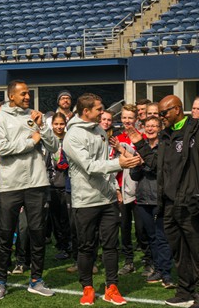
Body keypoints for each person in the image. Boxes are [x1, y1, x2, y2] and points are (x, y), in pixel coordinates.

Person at [63, 93, 141, 306]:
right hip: (85, 201)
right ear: (86, 111)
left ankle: (111, 287)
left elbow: (104, 162)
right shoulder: (72, 136)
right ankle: (87, 287)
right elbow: (89, 166)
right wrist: (120, 164)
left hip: (107, 199)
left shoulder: (100, 131)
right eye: (98, 109)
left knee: (111, 245)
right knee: (87, 246)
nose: (103, 112)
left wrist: (114, 187)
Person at [126, 95, 199, 308]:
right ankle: (185, 291)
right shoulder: (166, 135)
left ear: (177, 109)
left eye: (163, 113)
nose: (161, 118)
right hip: (168, 204)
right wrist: (140, 144)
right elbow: (156, 165)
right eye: (158, 114)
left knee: (196, 250)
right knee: (179, 251)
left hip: (190, 203)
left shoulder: (194, 129)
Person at [0, 80, 59, 300]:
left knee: (38, 233)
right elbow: (1, 148)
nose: (27, 96)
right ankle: (1, 280)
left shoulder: (36, 115)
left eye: (28, 93)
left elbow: (54, 147)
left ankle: (36, 280)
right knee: (5, 234)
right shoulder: (0, 117)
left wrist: (43, 127)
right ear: (12, 96)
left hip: (37, 182)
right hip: (11, 184)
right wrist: (31, 141)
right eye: (23, 93)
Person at [129, 116, 175, 289]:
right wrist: (139, 165)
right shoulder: (140, 148)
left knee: (162, 237)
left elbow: (161, 171)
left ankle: (166, 273)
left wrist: (146, 164)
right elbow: (134, 175)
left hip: (160, 198)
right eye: (148, 126)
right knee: (150, 237)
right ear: (143, 127)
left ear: (160, 128)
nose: (150, 129)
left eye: (154, 126)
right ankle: (157, 268)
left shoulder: (165, 147)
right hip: (143, 200)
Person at [110, 104, 150, 276]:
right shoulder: (117, 138)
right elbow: (114, 166)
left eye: (130, 118)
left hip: (140, 190)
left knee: (142, 229)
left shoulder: (142, 137)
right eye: (124, 117)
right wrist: (117, 189)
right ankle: (128, 262)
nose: (127, 120)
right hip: (122, 190)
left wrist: (123, 152)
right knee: (125, 228)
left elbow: (140, 161)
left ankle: (149, 262)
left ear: (136, 119)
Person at [46, 113, 71, 260]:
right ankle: (61, 245)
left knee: (67, 218)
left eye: (61, 124)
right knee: (55, 219)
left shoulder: (69, 139)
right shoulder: (49, 140)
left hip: (67, 183)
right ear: (52, 125)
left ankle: (68, 245)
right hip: (52, 184)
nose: (59, 127)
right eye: (56, 124)